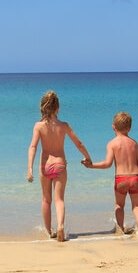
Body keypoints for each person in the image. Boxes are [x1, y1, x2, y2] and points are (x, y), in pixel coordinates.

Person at [27, 90, 92, 242]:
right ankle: (61, 226)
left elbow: (33, 147)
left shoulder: (38, 126)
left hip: (45, 165)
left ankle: (50, 232)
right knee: (59, 200)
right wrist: (88, 158)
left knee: (46, 200)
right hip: (60, 164)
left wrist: (29, 168)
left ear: (43, 108)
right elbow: (79, 143)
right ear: (58, 108)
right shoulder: (64, 126)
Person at [82, 111, 138, 238]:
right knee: (137, 205)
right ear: (129, 128)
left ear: (113, 127)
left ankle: (121, 229)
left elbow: (107, 164)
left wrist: (91, 165)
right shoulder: (134, 143)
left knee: (119, 205)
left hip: (121, 179)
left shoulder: (112, 144)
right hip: (135, 177)